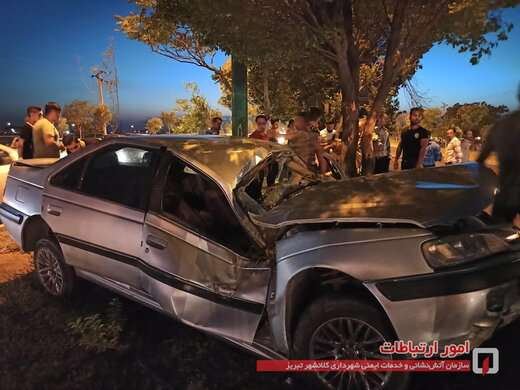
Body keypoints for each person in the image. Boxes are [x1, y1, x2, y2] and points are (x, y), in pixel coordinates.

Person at [477, 101, 520, 226]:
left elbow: (480, 160)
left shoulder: (502, 125)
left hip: (507, 193)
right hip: (508, 192)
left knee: (498, 233)